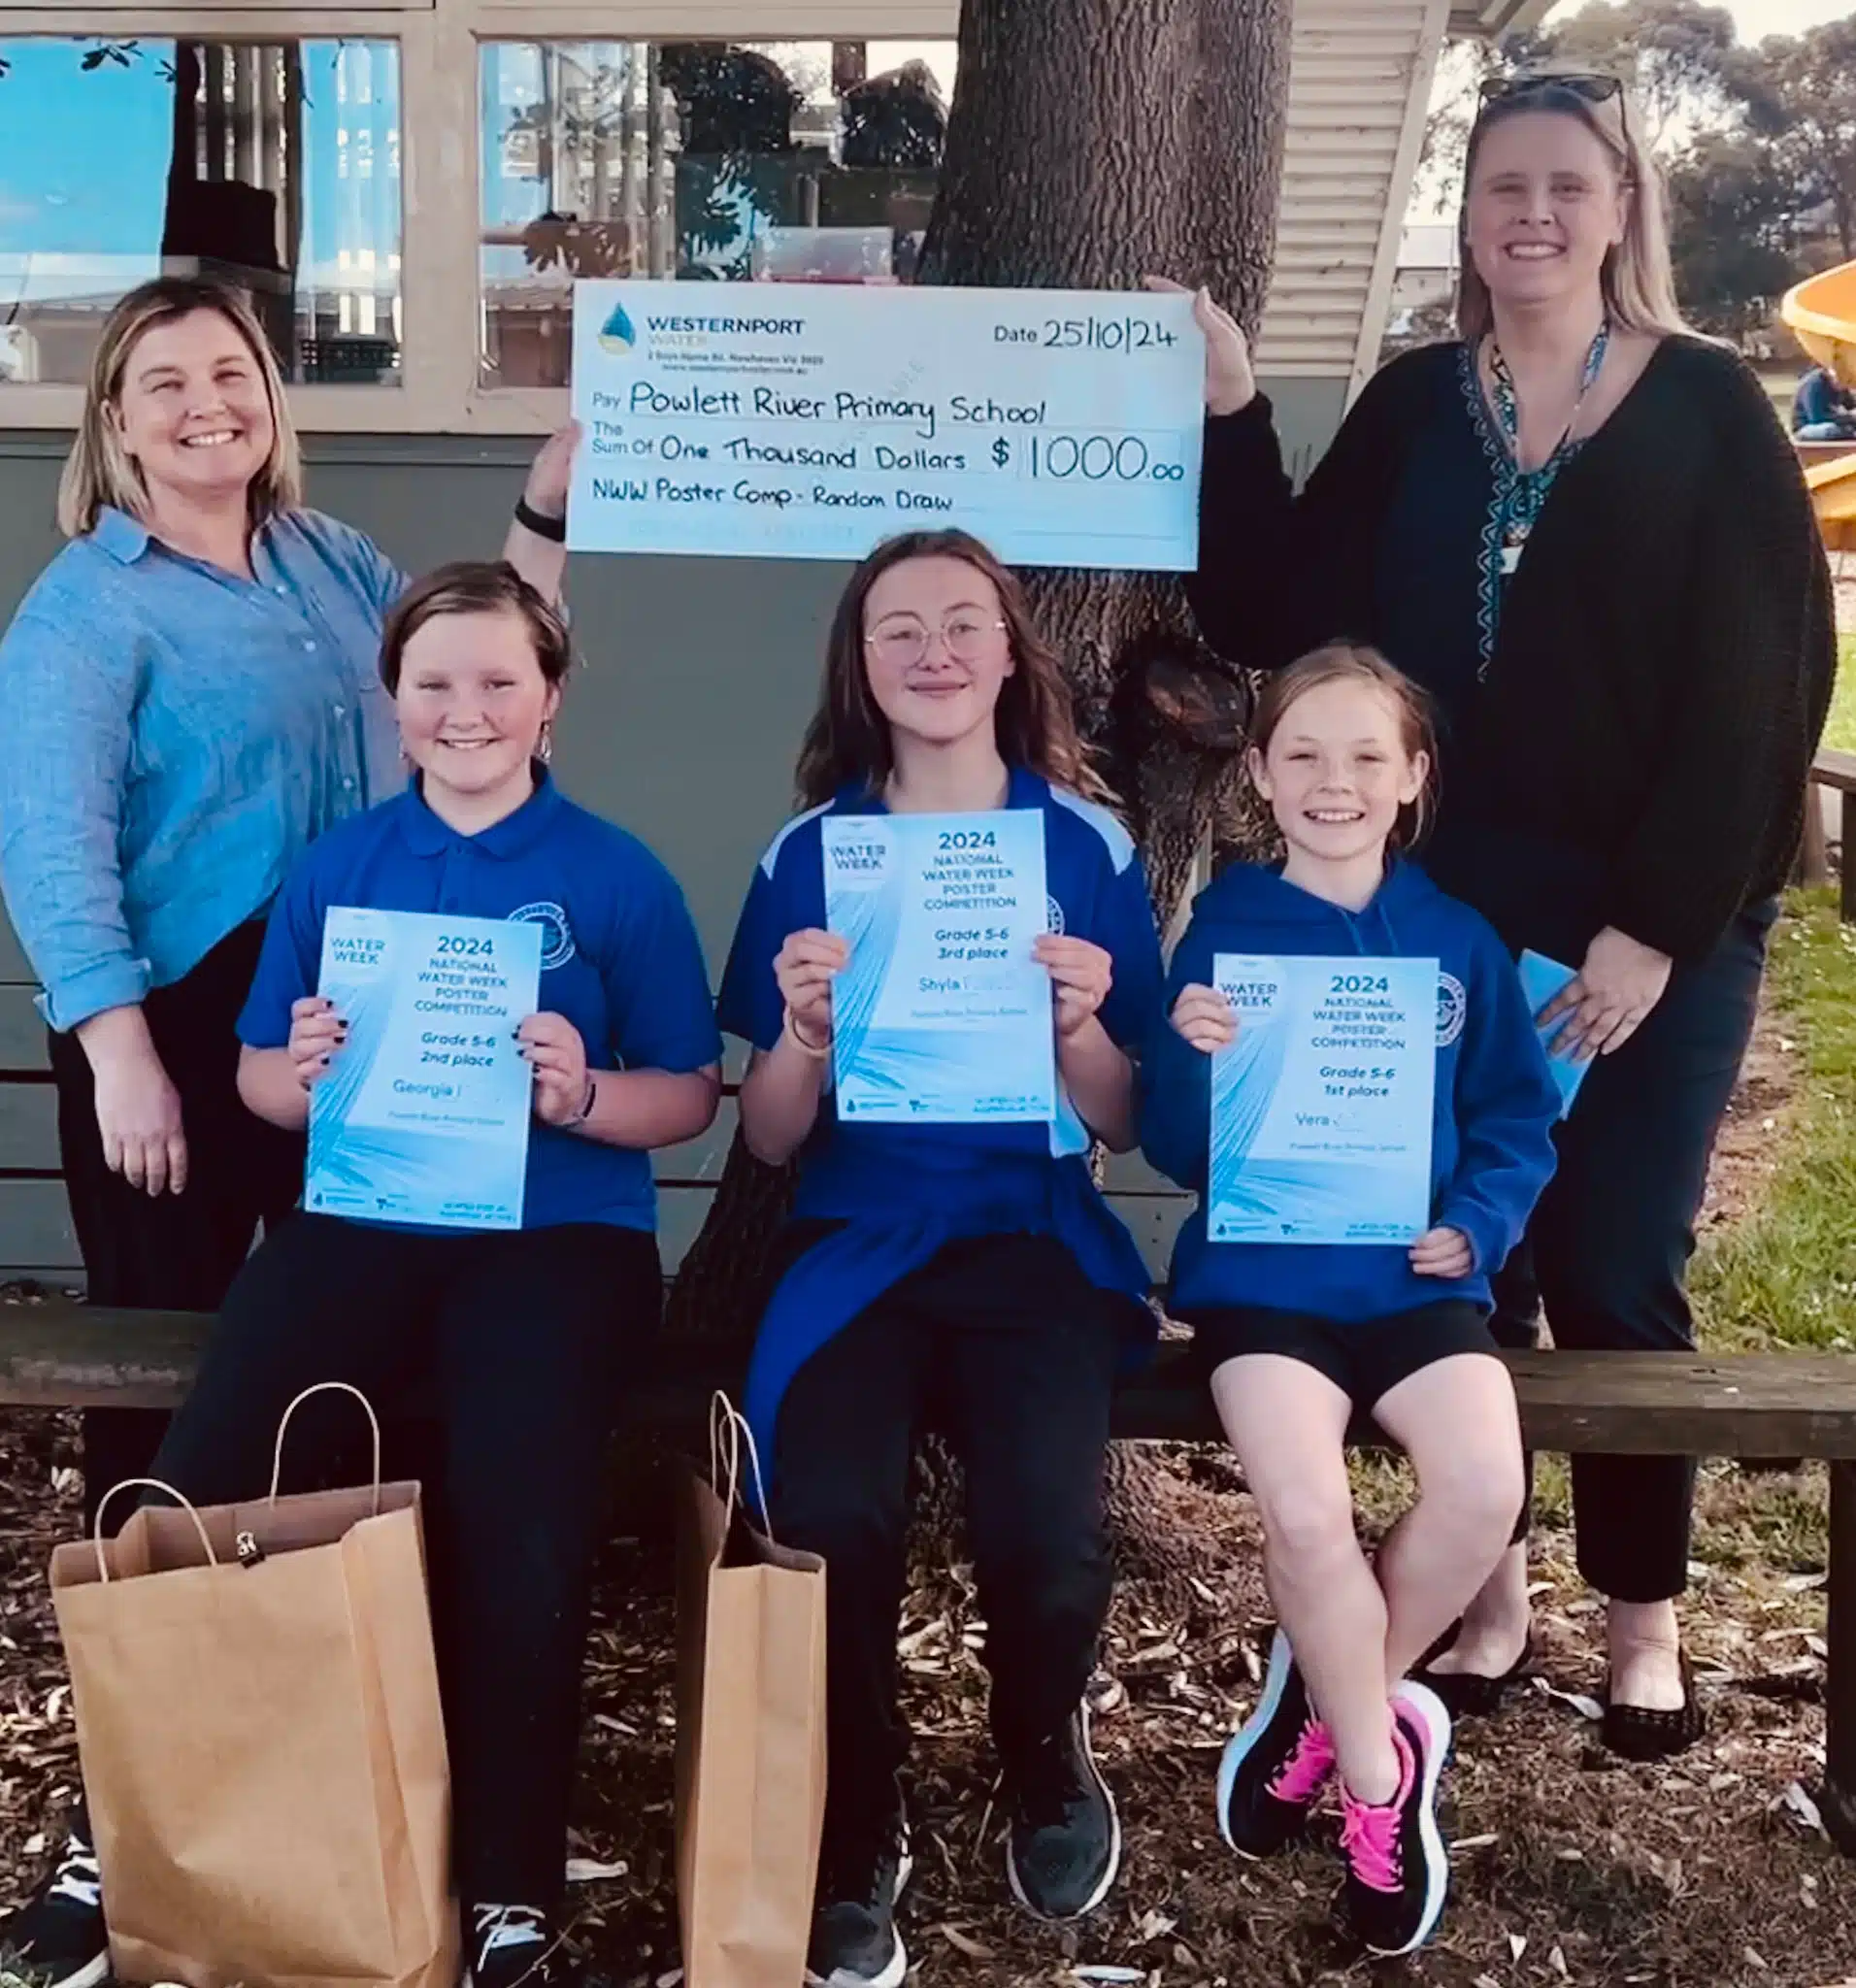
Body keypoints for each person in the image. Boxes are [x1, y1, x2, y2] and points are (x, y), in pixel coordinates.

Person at [1160, 66, 1834, 1754]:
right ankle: (1489, 1589)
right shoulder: (1413, 406)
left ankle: (1643, 1616)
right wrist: (1230, 406)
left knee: (1617, 1254)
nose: (1532, 213)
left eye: (1566, 185)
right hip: (1452, 925)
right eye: (1502, 186)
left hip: (1653, 920)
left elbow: (1762, 692)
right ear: (1464, 216)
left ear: (1620, 209)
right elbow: (1271, 604)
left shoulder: (1706, 409)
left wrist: (1653, 925)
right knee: (1478, 1254)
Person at [1, 561, 722, 1988]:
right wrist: (301, 1065)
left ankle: (507, 1891)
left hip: (555, 1240)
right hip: (365, 1218)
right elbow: (262, 1084)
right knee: (197, 1477)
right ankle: (116, 1838)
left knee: (521, 1520)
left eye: (499, 681)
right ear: (393, 701)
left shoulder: (614, 873)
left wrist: (583, 1093)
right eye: (434, 683)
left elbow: (689, 1092)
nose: (467, 710)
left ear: (551, 699)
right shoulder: (341, 867)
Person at [0, 275, 580, 1537]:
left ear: (269, 396)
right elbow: (51, 849)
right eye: (165, 383)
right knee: (167, 1356)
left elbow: (476, 666)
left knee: (374, 1330)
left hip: (362, 996)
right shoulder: (84, 611)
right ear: (115, 419)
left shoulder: (332, 561)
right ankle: (152, 1622)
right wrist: (121, 1061)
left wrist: (546, 509)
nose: (206, 405)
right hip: (179, 1022)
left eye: (231, 374)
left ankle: (358, 1619)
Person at [716, 530, 1164, 1988]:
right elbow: (770, 1137)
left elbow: (1126, 1117)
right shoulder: (811, 854)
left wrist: (1077, 1028)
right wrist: (802, 1036)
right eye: (898, 627)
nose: (934, 651)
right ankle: (859, 1815)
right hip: (858, 1239)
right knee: (831, 1517)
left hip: (1030, 1232)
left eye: (964, 621)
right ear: (859, 664)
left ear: (1011, 651)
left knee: (1044, 1530)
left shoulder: (1085, 848)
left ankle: (1042, 1745)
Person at [1141, 645, 1561, 1957]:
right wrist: (1187, 1057)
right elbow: (1176, 1144)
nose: (1337, 781)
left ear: (1414, 776)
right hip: (1267, 1286)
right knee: (1309, 1512)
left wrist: (1477, 1222)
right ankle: (1381, 1781)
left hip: (1414, 1281)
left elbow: (1515, 1118)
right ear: (1261, 777)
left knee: (1483, 1486)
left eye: (1368, 755)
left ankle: (1331, 1698)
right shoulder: (1224, 931)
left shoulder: (1457, 941)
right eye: (1305, 754)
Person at [1792, 362, 1856, 443]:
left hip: (1834, 423)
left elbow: (1851, 406)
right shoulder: (1814, 384)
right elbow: (1816, 419)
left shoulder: (1842, 385)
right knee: (1830, 429)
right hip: (1808, 427)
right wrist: (1849, 417)